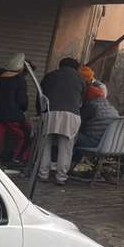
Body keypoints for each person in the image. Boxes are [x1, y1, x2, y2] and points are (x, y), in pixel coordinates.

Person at [38, 57, 85, 185]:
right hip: (71, 115)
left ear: (60, 65)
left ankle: (43, 174)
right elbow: (82, 101)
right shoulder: (81, 79)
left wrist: (40, 113)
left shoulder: (50, 76)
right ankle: (61, 177)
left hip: (50, 112)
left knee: (45, 144)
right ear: (75, 68)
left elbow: (41, 96)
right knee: (66, 147)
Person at [0, 53, 31, 165]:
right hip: (13, 115)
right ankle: (18, 159)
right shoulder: (19, 80)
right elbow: (21, 101)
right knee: (27, 133)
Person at [73, 75, 118, 162]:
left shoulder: (91, 106)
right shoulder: (111, 108)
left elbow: (78, 124)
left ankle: (59, 163)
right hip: (111, 145)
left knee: (68, 134)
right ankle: (74, 164)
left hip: (94, 143)